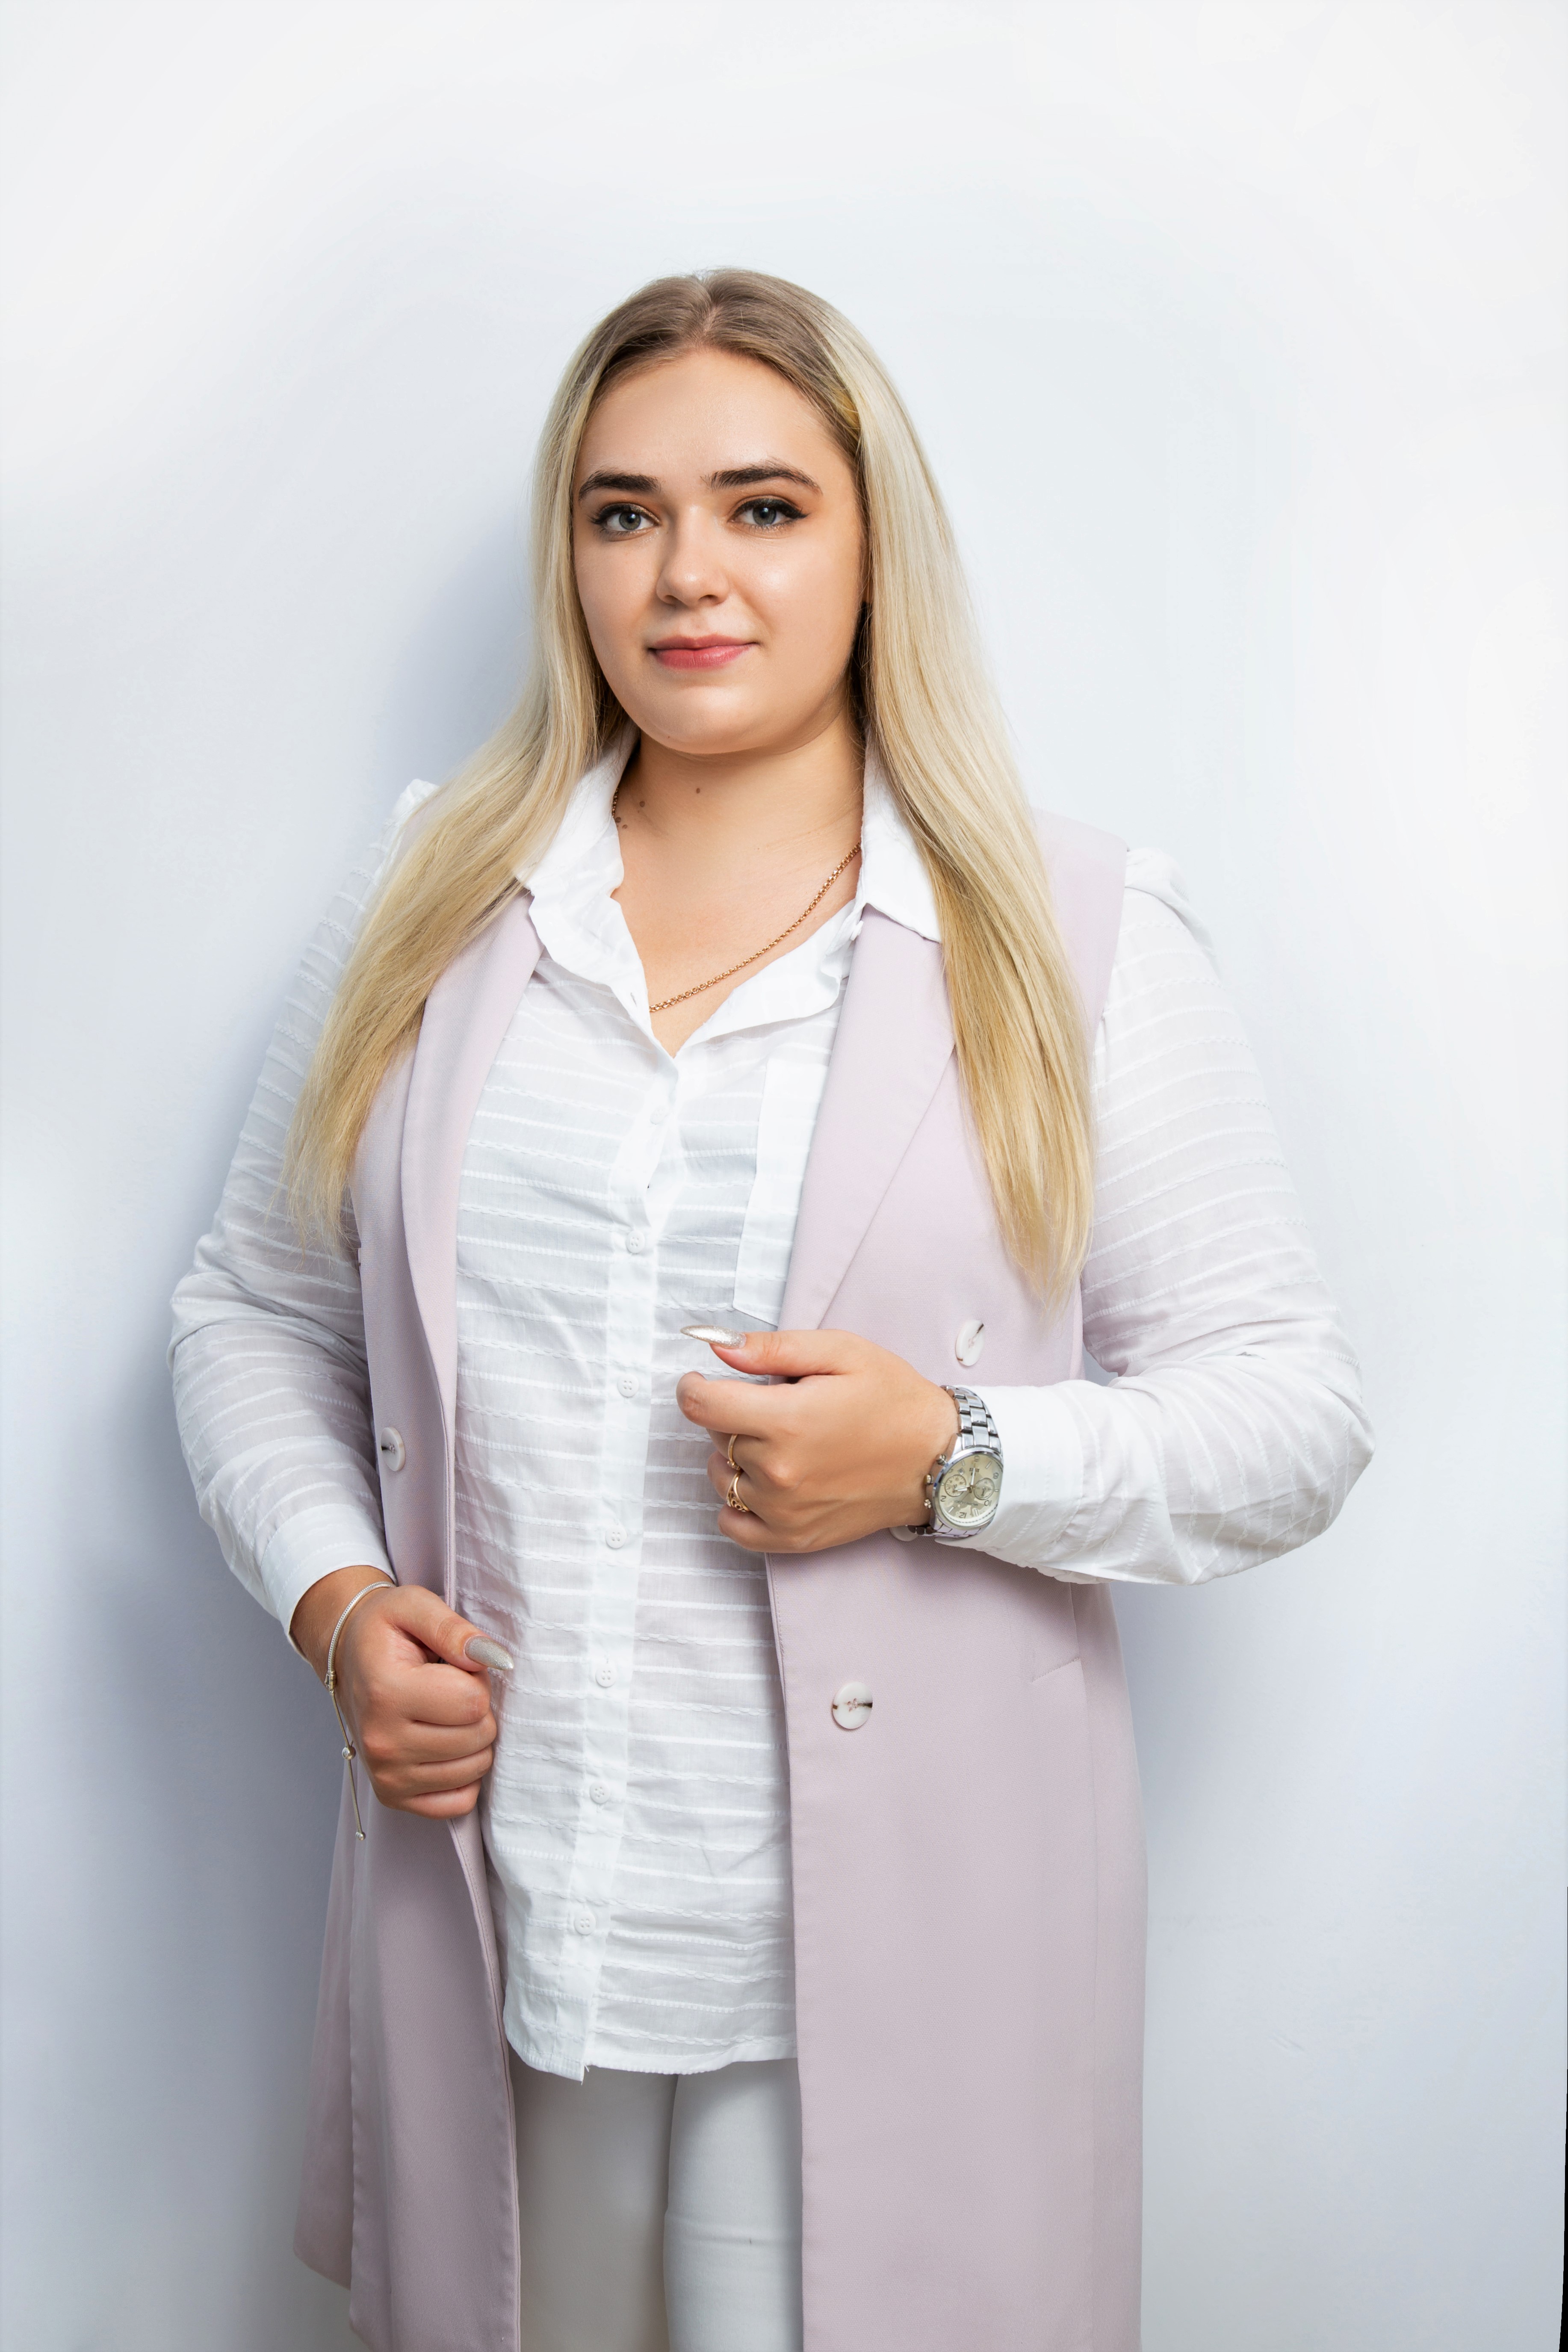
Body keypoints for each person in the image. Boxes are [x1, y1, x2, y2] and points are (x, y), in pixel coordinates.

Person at [170, 270, 1372, 2352]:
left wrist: (949, 1459)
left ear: (871, 544)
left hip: (887, 1943)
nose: (686, 574)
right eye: (622, 512)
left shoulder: (1073, 934)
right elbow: (254, 1308)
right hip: (505, 1900)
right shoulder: (433, 901)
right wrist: (338, 1605)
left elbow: (1290, 1410)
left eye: (762, 507)